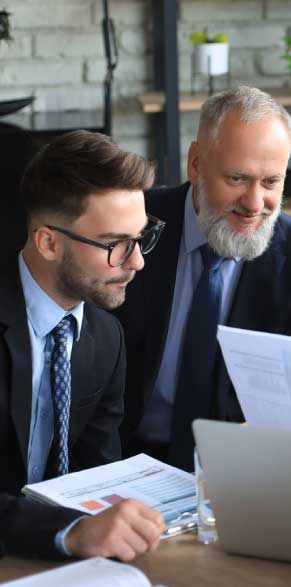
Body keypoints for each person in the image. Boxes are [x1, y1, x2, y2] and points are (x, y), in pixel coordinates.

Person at [115, 86, 291, 471]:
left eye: (272, 182)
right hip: (125, 459)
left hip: (247, 469)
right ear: (195, 164)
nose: (255, 204)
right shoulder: (133, 225)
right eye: (238, 178)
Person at [0, 130, 166, 560]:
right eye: (115, 244)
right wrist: (70, 533)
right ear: (48, 242)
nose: (137, 261)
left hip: (61, 568)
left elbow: (98, 477)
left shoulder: (106, 337)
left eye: (141, 237)